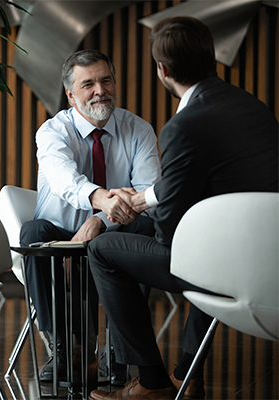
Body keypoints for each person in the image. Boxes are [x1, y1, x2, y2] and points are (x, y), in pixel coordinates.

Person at [87, 17, 279, 400]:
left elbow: (172, 236)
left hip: (224, 269)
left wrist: (131, 210)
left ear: (163, 69)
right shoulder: (253, 108)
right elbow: (212, 178)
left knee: (102, 250)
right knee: (187, 237)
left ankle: (151, 381)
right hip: (268, 258)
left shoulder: (183, 125)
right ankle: (187, 374)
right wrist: (144, 200)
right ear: (210, 57)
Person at [19, 49, 161, 382]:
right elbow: (62, 179)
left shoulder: (138, 130)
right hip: (61, 234)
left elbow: (148, 194)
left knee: (144, 224)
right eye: (88, 84)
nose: (100, 90)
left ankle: (120, 354)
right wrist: (99, 198)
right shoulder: (53, 131)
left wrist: (101, 220)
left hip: (115, 233)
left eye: (106, 80)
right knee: (32, 232)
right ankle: (65, 348)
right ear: (70, 94)